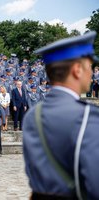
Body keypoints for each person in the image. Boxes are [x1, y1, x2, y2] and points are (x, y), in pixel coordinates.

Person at [23, 31, 99, 199]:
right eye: (90, 67)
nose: (92, 73)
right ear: (77, 70)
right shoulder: (87, 116)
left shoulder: (32, 115)